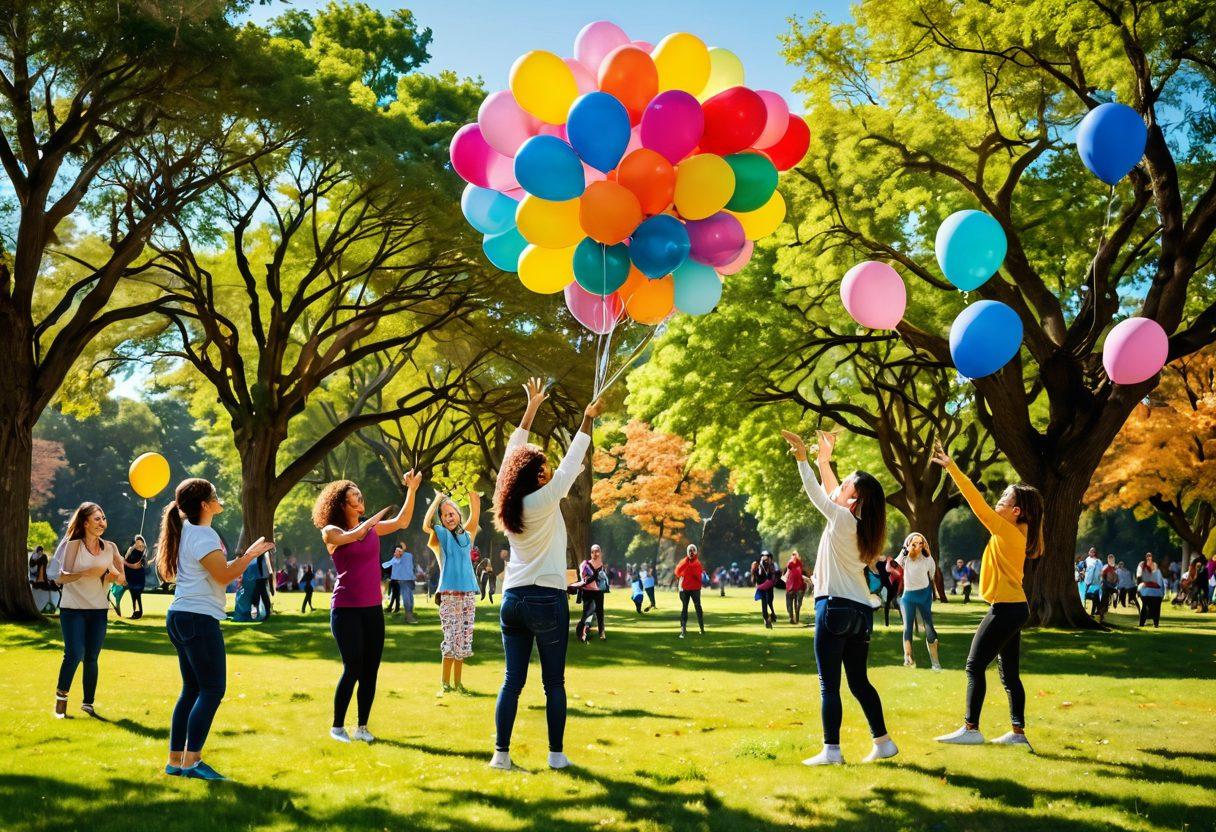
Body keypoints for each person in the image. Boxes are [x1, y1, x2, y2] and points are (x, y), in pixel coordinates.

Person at [490, 377, 601, 772]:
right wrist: (587, 419)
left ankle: (500, 756)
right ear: (537, 475)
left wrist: (531, 409)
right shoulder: (545, 497)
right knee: (553, 683)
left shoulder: (507, 501)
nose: (551, 470)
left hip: (512, 599)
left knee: (512, 680)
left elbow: (509, 458)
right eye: (545, 467)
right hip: (545, 598)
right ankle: (556, 756)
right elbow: (574, 460)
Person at [780, 429, 896, 765]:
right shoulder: (863, 526)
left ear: (854, 498)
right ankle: (883, 742)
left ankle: (832, 751)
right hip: (860, 613)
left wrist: (803, 457)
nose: (839, 486)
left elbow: (817, 494)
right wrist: (823, 460)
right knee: (859, 682)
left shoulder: (842, 519)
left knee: (829, 685)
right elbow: (831, 492)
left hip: (833, 608)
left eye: (845, 484)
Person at [156, 478, 275, 780]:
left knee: (192, 690)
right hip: (197, 617)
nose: (219, 499)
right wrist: (250, 556)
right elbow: (223, 575)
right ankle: (192, 762)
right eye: (215, 496)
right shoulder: (202, 534)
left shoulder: (187, 531)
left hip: (181, 615)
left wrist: (247, 554)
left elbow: (217, 570)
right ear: (205, 505)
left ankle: (175, 761)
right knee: (211, 689)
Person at [931, 440, 1043, 750]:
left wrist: (952, 467)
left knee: (974, 666)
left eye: (1005, 499)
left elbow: (976, 502)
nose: (999, 500)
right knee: (1009, 675)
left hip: (1007, 609)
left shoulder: (1007, 531)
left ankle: (971, 728)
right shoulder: (1015, 533)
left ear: (1016, 511)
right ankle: (1018, 734)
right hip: (1014, 608)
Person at [313, 470, 422, 744]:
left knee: (370, 669)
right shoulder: (331, 531)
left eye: (360, 497)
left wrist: (412, 489)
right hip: (346, 608)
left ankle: (362, 727)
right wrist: (368, 525)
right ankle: (337, 727)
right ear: (341, 504)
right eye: (354, 498)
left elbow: (403, 521)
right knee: (353, 667)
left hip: (372, 608)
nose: (360, 502)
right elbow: (350, 537)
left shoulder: (371, 529)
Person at [47, 503, 126, 719]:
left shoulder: (110, 547)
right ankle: (61, 701)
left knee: (91, 657)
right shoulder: (73, 546)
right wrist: (85, 573)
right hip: (73, 609)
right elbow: (60, 577)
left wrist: (112, 576)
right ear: (85, 522)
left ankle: (88, 704)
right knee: (73, 654)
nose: (102, 523)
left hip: (98, 610)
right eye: (97, 519)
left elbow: (122, 578)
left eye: (103, 518)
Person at [424, 491, 481, 695]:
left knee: (463, 639)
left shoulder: (468, 535)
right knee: (450, 637)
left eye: (452, 513)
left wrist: (472, 495)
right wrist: (439, 498)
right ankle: (445, 683)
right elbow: (426, 524)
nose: (449, 517)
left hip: (468, 594)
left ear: (458, 514)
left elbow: (474, 516)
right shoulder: (442, 534)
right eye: (445, 514)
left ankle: (458, 683)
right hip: (449, 593)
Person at [897, 533, 941, 671]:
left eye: (921, 543)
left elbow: (932, 574)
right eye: (914, 543)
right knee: (907, 626)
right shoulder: (905, 559)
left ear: (924, 544)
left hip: (924, 594)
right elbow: (892, 566)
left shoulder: (928, 559)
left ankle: (935, 662)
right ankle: (908, 658)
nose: (918, 546)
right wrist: (904, 551)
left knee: (928, 625)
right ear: (909, 544)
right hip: (908, 596)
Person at [576, 544, 608, 643]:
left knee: (600, 612)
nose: (596, 553)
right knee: (587, 613)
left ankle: (601, 632)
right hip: (588, 592)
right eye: (594, 551)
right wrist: (595, 576)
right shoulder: (585, 564)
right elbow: (584, 579)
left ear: (600, 552)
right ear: (591, 553)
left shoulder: (601, 565)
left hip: (599, 592)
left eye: (598, 551)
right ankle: (582, 632)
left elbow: (603, 579)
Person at [675, 544, 708, 637]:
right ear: (687, 552)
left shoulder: (697, 563)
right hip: (685, 588)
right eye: (690, 550)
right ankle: (683, 630)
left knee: (698, 607)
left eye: (693, 550)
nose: (691, 552)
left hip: (695, 589)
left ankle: (702, 629)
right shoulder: (684, 562)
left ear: (696, 552)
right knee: (684, 608)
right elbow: (677, 572)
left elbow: (699, 576)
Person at [122, 535, 148, 619]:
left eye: (141, 545)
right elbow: (125, 558)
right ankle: (135, 612)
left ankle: (138, 612)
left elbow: (136, 566)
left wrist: (125, 563)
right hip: (130, 577)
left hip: (138, 579)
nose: (140, 547)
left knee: (136, 595)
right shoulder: (131, 551)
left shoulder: (142, 555)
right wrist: (131, 549)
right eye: (137, 545)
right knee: (133, 595)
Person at [752, 552, 779, 629]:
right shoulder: (758, 565)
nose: (765, 559)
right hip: (763, 588)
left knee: (769, 601)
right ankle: (767, 620)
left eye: (767, 558)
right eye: (764, 558)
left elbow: (775, 575)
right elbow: (757, 575)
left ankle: (771, 616)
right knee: (764, 604)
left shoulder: (772, 565)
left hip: (769, 587)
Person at [1137, 553, 1165, 627]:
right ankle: (1155, 623)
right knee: (1153, 607)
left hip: (1149, 592)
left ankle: (1143, 623)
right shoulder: (1144, 567)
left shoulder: (1147, 568)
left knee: (1146, 607)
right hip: (1152, 592)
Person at [783, 551, 807, 625]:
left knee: (791, 603)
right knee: (796, 604)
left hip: (793, 587)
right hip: (797, 587)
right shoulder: (797, 564)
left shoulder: (792, 564)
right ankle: (795, 618)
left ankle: (793, 618)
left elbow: (785, 575)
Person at [384, 545, 406, 614]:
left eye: (396, 552)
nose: (395, 553)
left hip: (397, 580)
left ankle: (393, 608)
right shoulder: (395, 559)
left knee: (395, 595)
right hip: (393, 580)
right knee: (395, 595)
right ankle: (394, 608)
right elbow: (389, 565)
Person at [1082, 547, 1104, 618]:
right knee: (1085, 596)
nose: (1090, 553)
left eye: (1092, 552)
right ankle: (1089, 611)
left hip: (1096, 583)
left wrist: (1101, 580)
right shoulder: (1087, 560)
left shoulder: (1099, 561)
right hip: (1088, 581)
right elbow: (1084, 569)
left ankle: (1093, 613)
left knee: (1095, 598)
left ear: (1094, 553)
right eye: (1090, 551)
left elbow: (1101, 571)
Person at [1098, 554, 1119, 622]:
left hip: (1112, 586)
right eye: (1110, 559)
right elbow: (1102, 578)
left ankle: (1114, 602)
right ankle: (1101, 616)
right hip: (1105, 586)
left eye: (1112, 559)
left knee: (1116, 592)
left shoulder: (1115, 568)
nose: (1111, 560)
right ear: (1108, 560)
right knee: (1104, 602)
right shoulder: (1106, 567)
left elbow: (1117, 578)